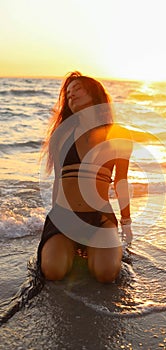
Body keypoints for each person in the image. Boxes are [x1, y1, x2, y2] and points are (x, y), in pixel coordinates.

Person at [37, 71, 133, 283]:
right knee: (53, 272)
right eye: (68, 93)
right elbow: (58, 181)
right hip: (64, 215)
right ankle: (67, 247)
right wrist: (55, 224)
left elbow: (121, 181)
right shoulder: (61, 134)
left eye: (78, 89)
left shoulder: (118, 134)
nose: (71, 95)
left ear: (94, 93)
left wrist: (126, 222)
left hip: (99, 217)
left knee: (106, 274)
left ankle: (93, 248)